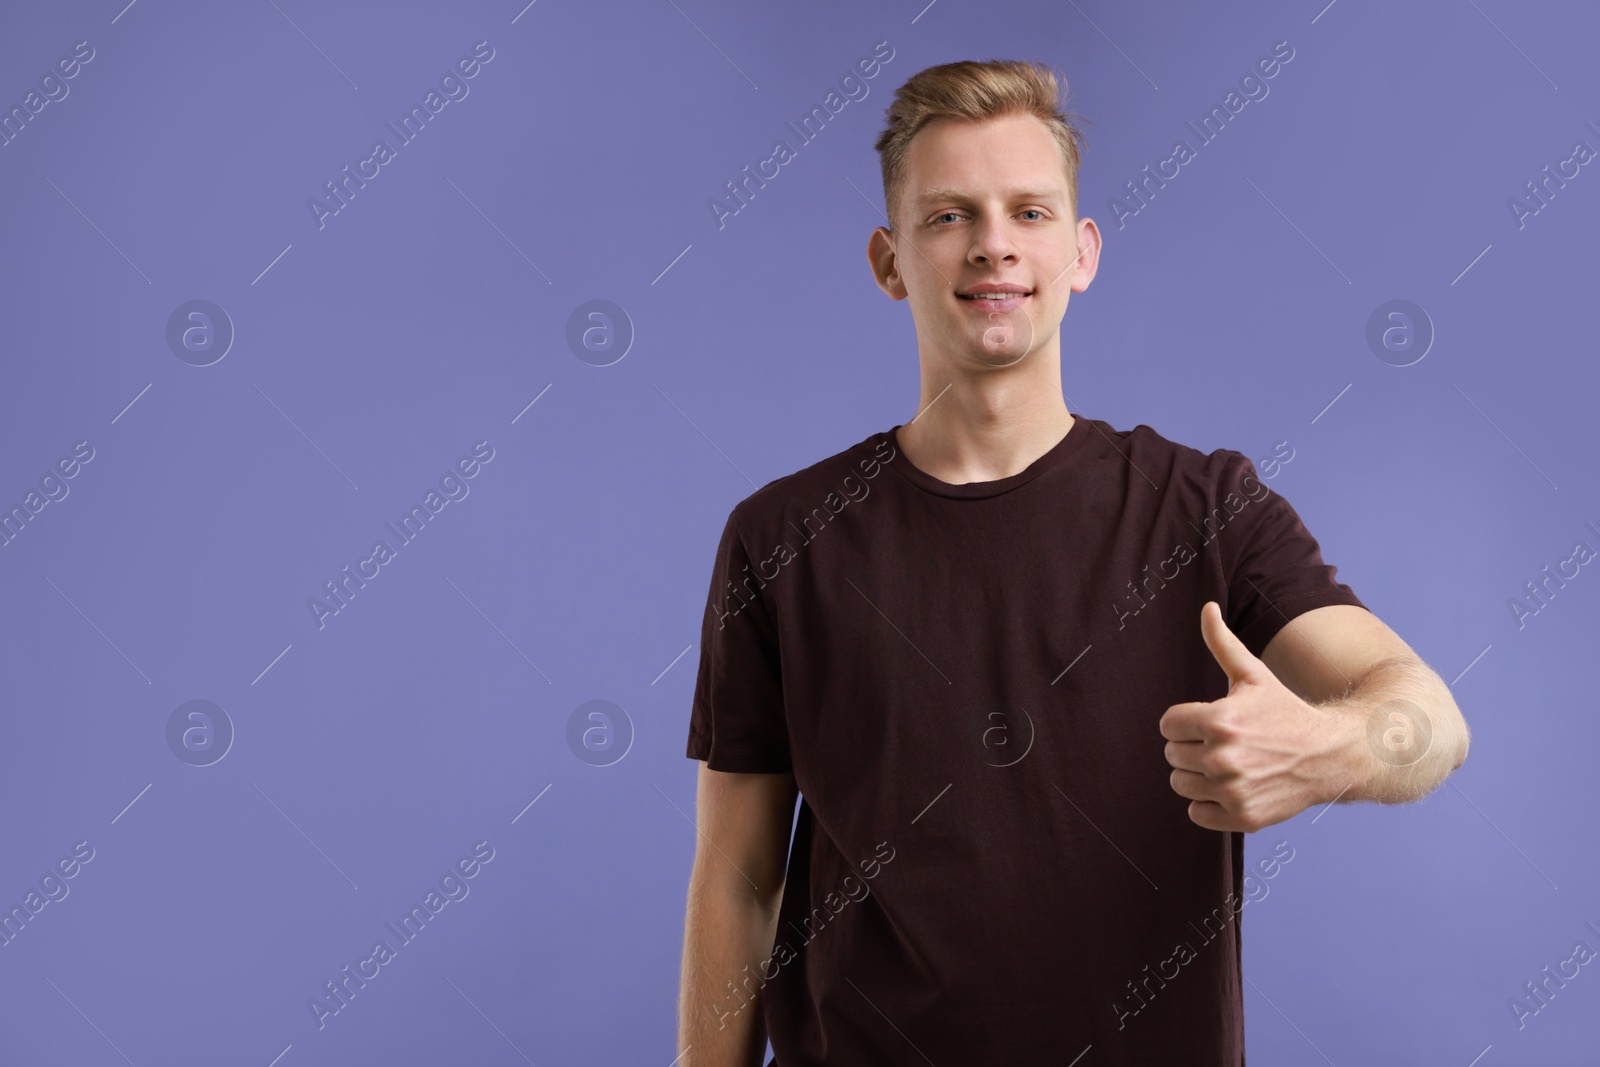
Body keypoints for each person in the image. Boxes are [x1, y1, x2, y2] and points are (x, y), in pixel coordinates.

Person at [676, 58, 1469, 1067]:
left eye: (1030, 212)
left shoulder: (1204, 507)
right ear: (889, 260)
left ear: (1082, 250)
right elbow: (738, 877)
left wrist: (1327, 749)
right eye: (949, 215)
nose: (993, 244)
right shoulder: (779, 534)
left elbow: (1429, 717)